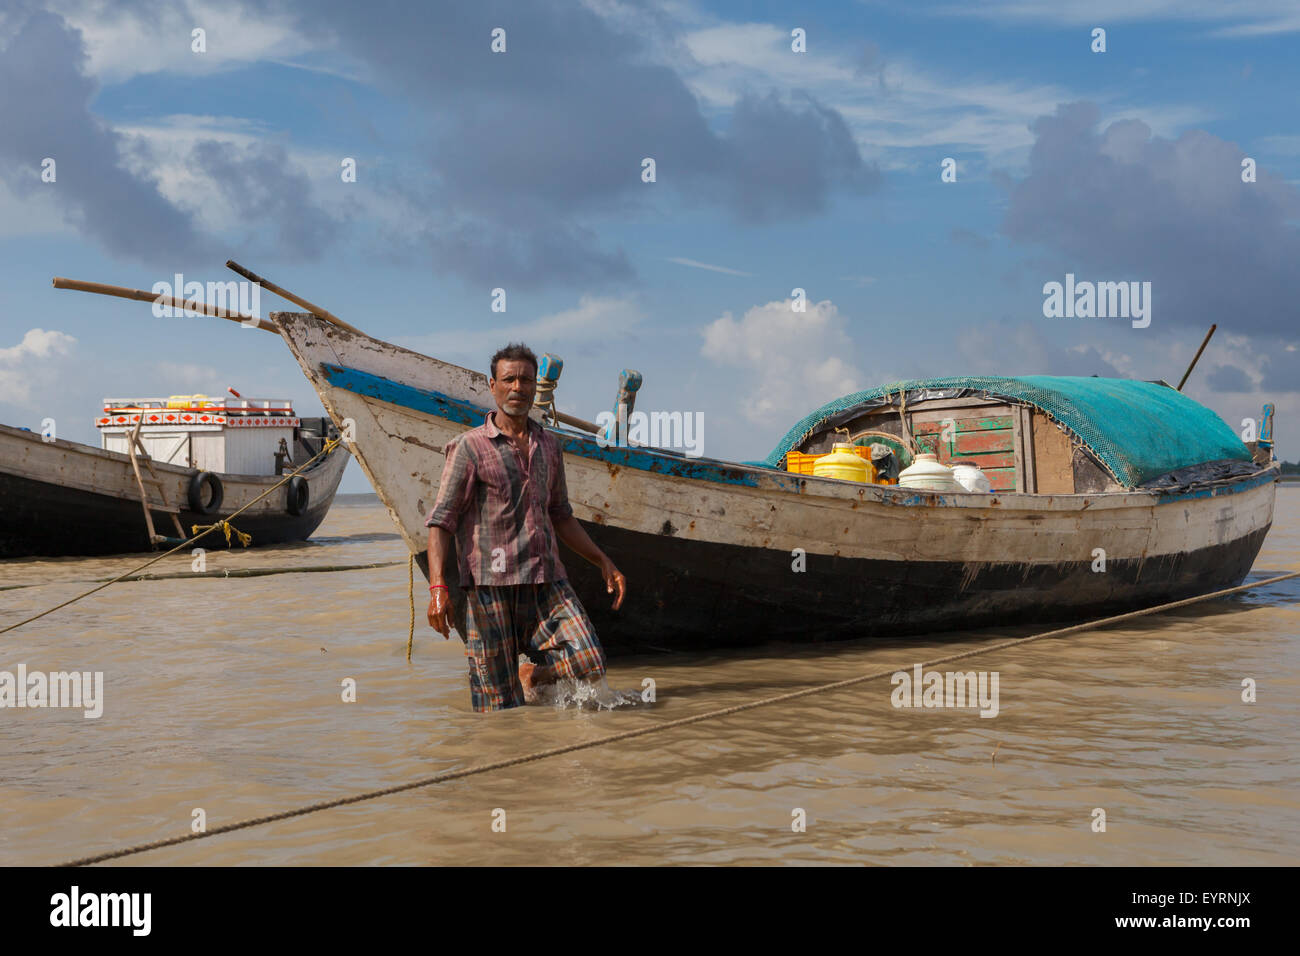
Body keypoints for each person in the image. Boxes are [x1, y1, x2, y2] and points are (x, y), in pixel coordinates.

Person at [424, 342, 627, 711]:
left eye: (526, 380)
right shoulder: (468, 447)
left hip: (545, 580)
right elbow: (442, 521)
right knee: (498, 711)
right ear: (493, 385)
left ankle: (534, 675)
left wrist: (602, 560)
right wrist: (438, 587)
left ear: (536, 387)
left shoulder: (549, 445)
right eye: (509, 379)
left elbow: (561, 514)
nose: (517, 387)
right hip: (488, 588)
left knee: (590, 661)